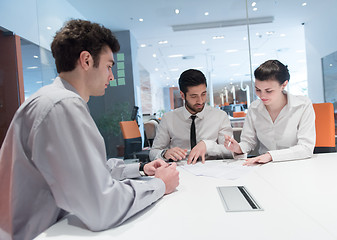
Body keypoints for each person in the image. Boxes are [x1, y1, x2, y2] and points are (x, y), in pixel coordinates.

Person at [0, 19, 179, 240]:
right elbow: (102, 207)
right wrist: (160, 184)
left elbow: (89, 171)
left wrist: (141, 169)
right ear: (86, 60)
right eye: (108, 66)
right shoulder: (62, 104)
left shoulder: (54, 99)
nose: (111, 76)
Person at [224, 60, 316, 165]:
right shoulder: (254, 108)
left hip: (296, 164)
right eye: (258, 90)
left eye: (268, 91)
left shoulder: (302, 105)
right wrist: (238, 148)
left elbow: (306, 148)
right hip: (265, 166)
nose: (262, 96)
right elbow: (248, 142)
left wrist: (271, 156)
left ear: (284, 84)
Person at [149, 69, 233, 164]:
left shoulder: (220, 116)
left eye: (203, 94)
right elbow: (153, 153)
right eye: (194, 96)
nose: (200, 101)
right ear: (182, 95)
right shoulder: (168, 119)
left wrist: (207, 145)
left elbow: (230, 150)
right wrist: (165, 153)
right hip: (180, 170)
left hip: (212, 168)